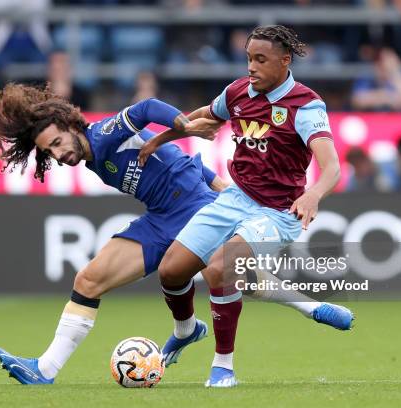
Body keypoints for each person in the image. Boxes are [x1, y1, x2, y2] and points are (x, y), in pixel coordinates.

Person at [138, 25, 354, 388]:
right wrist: (160, 139)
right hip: (235, 198)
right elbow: (203, 116)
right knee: (171, 271)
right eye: (249, 58)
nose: (251, 67)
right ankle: (187, 330)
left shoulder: (305, 105)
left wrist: (313, 194)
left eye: (260, 59)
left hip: (278, 211)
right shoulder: (239, 92)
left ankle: (224, 367)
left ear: (284, 62)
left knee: (224, 266)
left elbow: (332, 166)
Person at [0, 83, 227, 384]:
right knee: (88, 281)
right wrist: (220, 183)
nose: (58, 154)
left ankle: (306, 306)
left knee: (245, 279)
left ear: (70, 126)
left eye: (58, 142)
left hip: (193, 208)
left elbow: (147, 108)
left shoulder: (101, 135)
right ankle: (44, 370)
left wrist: (187, 126)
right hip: (161, 218)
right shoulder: (91, 157)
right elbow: (172, 158)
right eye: (50, 151)